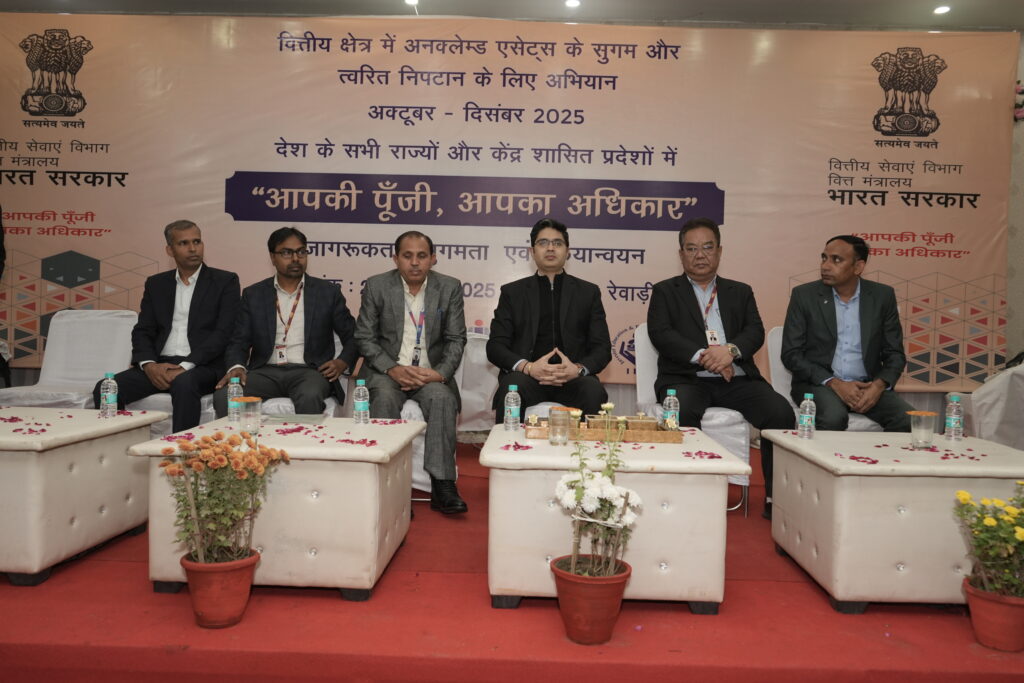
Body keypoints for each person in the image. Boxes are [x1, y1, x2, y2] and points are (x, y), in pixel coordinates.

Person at [647, 217, 794, 519]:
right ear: (681, 254)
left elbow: (754, 331)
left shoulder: (740, 291)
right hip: (686, 379)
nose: (700, 255)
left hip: (736, 379)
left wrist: (730, 352)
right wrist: (707, 357)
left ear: (720, 251)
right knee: (680, 412)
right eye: (691, 249)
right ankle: (689, 495)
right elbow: (661, 333)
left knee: (780, 413)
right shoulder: (665, 291)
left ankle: (776, 498)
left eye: (707, 247)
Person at [354, 231, 468, 514]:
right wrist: (392, 368)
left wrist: (440, 374)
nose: (415, 262)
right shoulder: (377, 286)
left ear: (433, 258)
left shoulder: (449, 287)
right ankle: (390, 486)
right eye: (407, 256)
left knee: (442, 398)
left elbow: (456, 339)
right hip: (387, 371)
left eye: (421, 256)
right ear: (396, 259)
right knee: (383, 398)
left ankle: (443, 485)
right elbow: (364, 337)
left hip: (429, 373)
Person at [93, 220, 239, 432]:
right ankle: (116, 445)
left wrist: (184, 367)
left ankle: (182, 448)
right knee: (106, 389)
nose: (193, 248)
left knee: (184, 383)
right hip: (161, 364)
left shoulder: (225, 281)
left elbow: (223, 333)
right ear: (170, 250)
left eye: (197, 241)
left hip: (202, 366)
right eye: (183, 243)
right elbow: (143, 330)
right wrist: (149, 365)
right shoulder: (156, 284)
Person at [215, 227, 356, 415]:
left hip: (310, 372)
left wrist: (342, 362)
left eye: (301, 252)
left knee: (309, 395)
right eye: (287, 253)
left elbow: (353, 336)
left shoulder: (327, 292)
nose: (296, 258)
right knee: (225, 396)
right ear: (272, 257)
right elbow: (238, 340)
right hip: (265, 371)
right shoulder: (254, 294)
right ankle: (240, 436)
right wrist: (237, 366)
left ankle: (304, 436)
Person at [781, 234, 912, 433]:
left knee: (908, 420)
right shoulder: (804, 295)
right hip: (819, 384)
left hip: (867, 386)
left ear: (858, 267)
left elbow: (895, 353)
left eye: (836, 260)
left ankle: (875, 455)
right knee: (833, 417)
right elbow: (791, 354)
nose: (825, 266)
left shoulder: (882, 296)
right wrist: (834, 383)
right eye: (824, 258)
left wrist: (878, 386)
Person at [487, 218, 611, 422]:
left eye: (558, 243)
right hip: (527, 378)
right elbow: (495, 347)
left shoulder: (588, 292)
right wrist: (528, 367)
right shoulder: (512, 293)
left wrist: (578, 369)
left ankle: (591, 445)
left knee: (593, 391)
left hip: (573, 380)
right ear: (532, 251)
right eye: (543, 243)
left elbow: (602, 348)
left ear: (567, 251)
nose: (551, 248)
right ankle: (507, 443)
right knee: (512, 388)